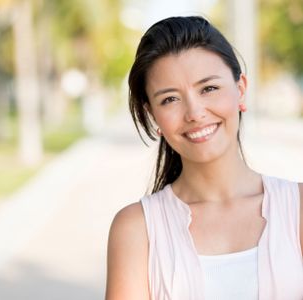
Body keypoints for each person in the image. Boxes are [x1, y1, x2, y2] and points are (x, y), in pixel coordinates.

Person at [105, 16, 303, 300]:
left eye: (209, 88)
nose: (195, 113)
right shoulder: (137, 229)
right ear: (153, 116)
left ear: (241, 89)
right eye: (170, 99)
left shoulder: (298, 210)